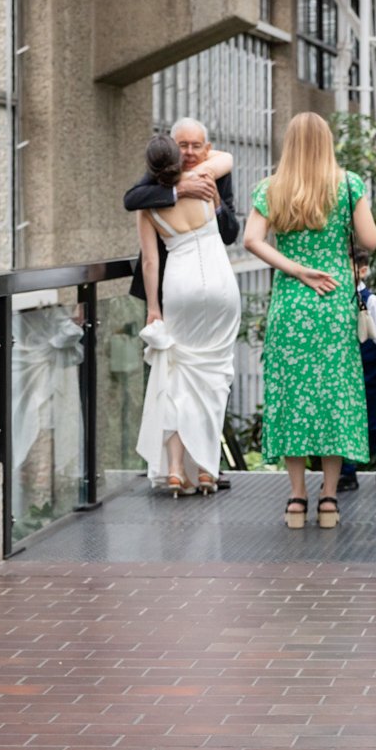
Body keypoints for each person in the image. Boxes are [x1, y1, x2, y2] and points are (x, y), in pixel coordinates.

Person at [243, 111, 376, 529]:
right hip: (334, 302)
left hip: (292, 304)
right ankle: (330, 501)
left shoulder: (271, 189)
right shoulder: (348, 184)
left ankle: (296, 499)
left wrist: (296, 269)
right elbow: (370, 241)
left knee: (292, 396)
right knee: (336, 397)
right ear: (326, 143)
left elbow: (251, 240)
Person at [134, 134, 242, 496]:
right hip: (221, 285)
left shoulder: (149, 208)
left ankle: (178, 470)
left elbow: (150, 262)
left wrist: (153, 308)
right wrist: (185, 179)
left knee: (177, 379)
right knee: (214, 379)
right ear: (180, 163)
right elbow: (225, 157)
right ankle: (208, 470)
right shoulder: (205, 180)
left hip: (179, 288)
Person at [125, 117, 240, 312]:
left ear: (207, 148)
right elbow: (131, 200)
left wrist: (216, 201)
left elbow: (230, 235)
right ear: (172, 147)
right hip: (164, 282)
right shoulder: (159, 172)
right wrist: (180, 189)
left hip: (213, 281)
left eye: (196, 146)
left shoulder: (218, 173)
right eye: (183, 145)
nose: (189, 153)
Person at [339, 248, 376, 492]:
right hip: (343, 371)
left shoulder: (371, 301)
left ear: (362, 270)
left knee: (370, 421)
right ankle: (347, 473)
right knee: (343, 420)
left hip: (368, 372)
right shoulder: (337, 298)